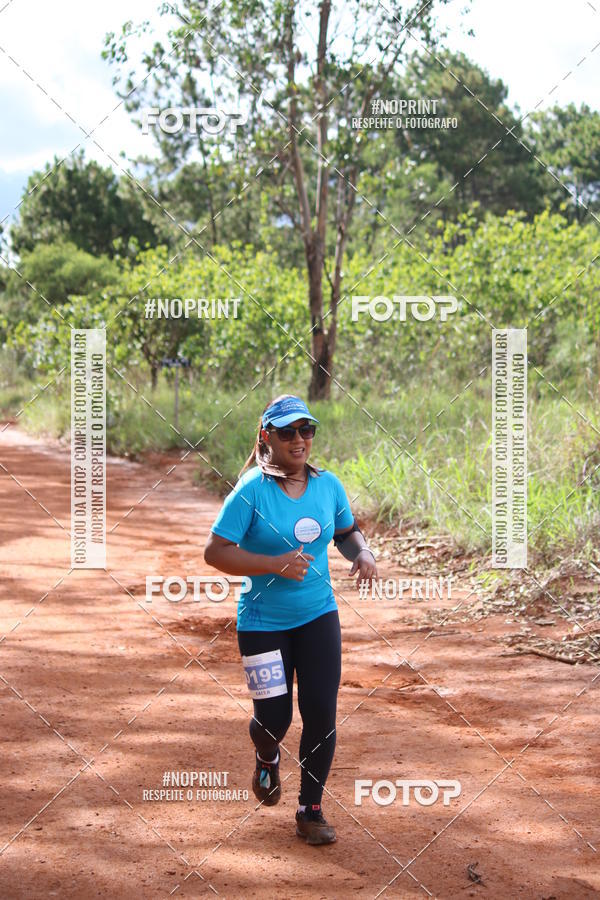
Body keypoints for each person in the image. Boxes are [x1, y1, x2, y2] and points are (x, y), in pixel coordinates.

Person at [204, 394, 378, 845]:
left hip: (318, 616)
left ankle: (310, 810)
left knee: (321, 714)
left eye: (307, 430)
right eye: (287, 432)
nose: (299, 440)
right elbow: (215, 552)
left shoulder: (328, 485)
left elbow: (346, 532)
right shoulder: (251, 490)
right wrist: (273, 564)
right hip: (261, 623)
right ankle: (267, 756)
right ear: (268, 436)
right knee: (273, 720)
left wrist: (362, 552)